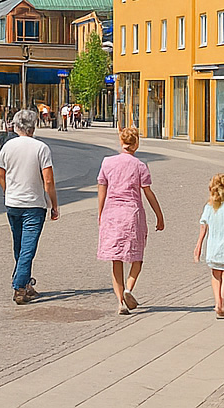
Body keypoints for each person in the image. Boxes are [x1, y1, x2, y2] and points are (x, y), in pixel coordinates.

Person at [96, 126, 164, 315]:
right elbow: (148, 192)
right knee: (137, 256)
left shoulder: (107, 162)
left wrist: (100, 212)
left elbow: (102, 188)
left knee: (116, 259)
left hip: (112, 213)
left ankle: (120, 302)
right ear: (136, 144)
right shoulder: (140, 166)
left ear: (121, 142)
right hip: (132, 214)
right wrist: (159, 215)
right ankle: (129, 289)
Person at [0, 108, 58, 305]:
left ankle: (26, 283)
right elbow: (48, 180)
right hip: (34, 204)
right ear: (34, 126)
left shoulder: (8, 146)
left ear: (16, 126)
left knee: (20, 247)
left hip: (13, 203)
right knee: (28, 248)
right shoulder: (41, 148)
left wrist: (7, 190)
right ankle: (20, 287)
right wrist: (54, 204)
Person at [194, 173, 224, 318]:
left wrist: (198, 246)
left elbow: (203, 225)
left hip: (212, 245)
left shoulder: (210, 204)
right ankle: (223, 301)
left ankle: (218, 303)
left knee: (215, 274)